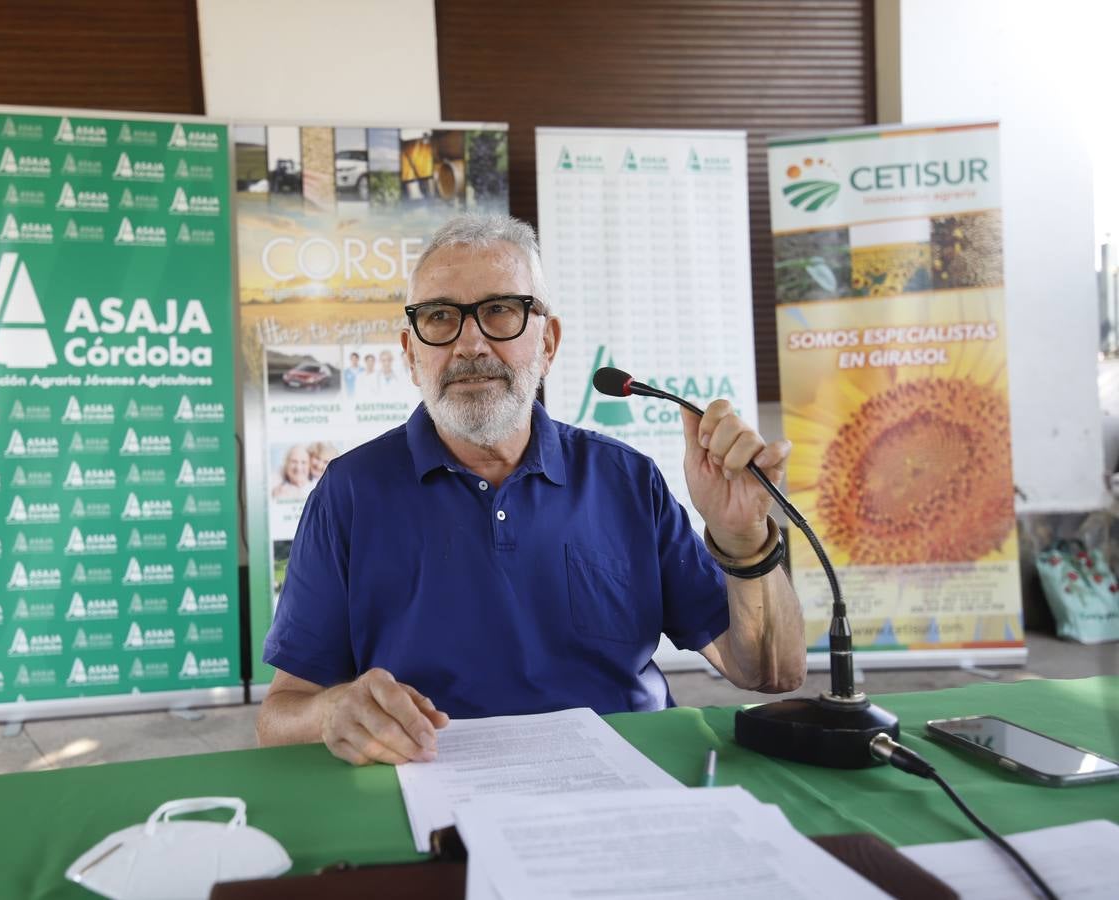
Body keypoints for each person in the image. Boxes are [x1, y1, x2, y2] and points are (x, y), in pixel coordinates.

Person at [257, 213, 805, 766]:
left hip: (629, 782)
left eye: (500, 310)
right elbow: (280, 714)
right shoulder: (350, 493)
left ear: (548, 342)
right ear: (409, 352)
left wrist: (742, 538)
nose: (470, 343)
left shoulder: (627, 481)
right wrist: (331, 712)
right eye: (441, 317)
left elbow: (770, 672)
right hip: (438, 788)